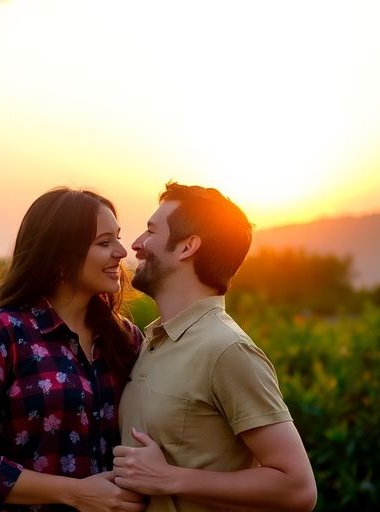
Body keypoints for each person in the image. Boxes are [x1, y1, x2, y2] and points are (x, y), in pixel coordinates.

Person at [0, 188, 146, 512]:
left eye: (118, 237)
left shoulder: (127, 339)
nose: (120, 251)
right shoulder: (1, 333)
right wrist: (75, 493)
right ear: (60, 254)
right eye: (104, 242)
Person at [113, 182, 317, 511]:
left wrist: (170, 478)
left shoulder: (227, 349)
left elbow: (297, 488)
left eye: (151, 231)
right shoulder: (149, 341)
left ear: (187, 247)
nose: (136, 244)